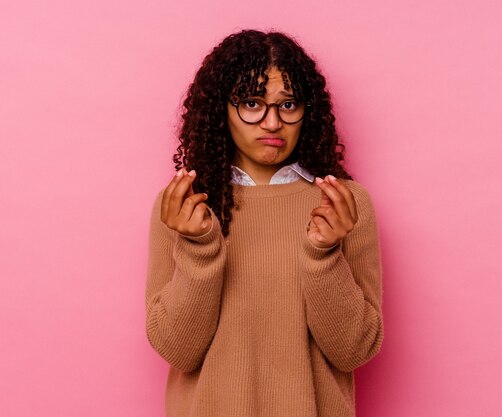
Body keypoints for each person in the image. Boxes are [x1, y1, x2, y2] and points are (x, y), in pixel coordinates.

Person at [145, 29, 384, 417]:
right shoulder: (183, 208)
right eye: (252, 103)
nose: (273, 122)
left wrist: (325, 254)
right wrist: (198, 247)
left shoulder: (343, 204)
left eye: (288, 104)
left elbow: (353, 351)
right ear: (220, 108)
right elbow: (178, 350)